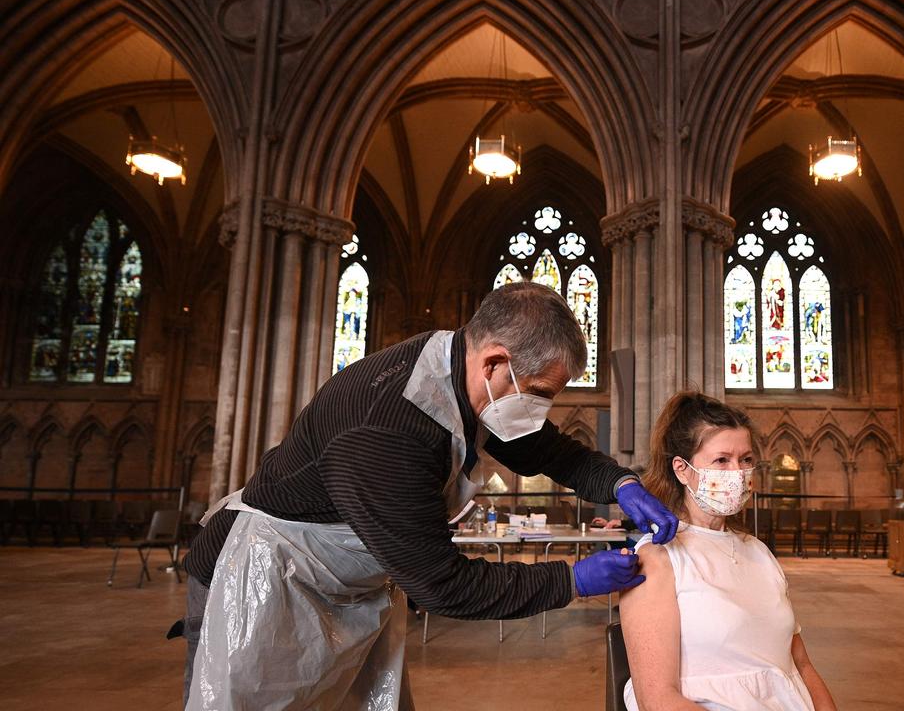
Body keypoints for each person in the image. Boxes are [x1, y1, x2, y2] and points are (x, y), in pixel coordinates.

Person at [181, 282, 679, 710]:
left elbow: (554, 453)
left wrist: (620, 484)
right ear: (496, 362)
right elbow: (443, 586)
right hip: (265, 582)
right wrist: (570, 579)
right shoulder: (386, 430)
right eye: (541, 393)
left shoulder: (462, 377)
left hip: (345, 585)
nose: (543, 408)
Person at [620, 392, 836, 711]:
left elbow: (801, 666)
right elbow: (658, 699)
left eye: (746, 460)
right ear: (682, 469)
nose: (738, 472)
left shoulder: (759, 552)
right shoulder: (658, 557)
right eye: (722, 460)